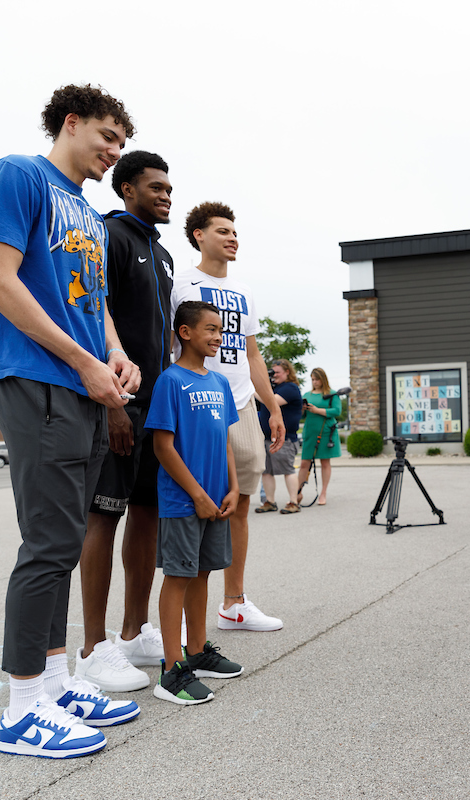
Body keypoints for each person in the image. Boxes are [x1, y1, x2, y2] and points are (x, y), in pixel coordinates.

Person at [0, 84, 142, 759]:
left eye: (121, 145)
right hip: (36, 377)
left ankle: (58, 681)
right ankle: (21, 710)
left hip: (84, 385)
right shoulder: (20, 175)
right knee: (46, 544)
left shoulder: (92, 217)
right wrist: (81, 361)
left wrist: (117, 354)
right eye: (106, 137)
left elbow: (91, 301)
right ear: (71, 124)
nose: (112, 152)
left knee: (66, 540)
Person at [75, 150, 175, 693]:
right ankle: (93, 648)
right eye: (155, 187)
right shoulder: (107, 235)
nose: (165, 195)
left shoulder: (161, 254)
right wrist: (114, 404)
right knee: (103, 518)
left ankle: (134, 632)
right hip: (120, 402)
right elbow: (93, 315)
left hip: (158, 408)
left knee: (149, 515)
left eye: (169, 189)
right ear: (126, 189)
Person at [171, 202, 284, 633]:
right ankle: (183, 611)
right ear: (198, 235)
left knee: (240, 503)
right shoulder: (181, 282)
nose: (233, 238)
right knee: (194, 503)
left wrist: (271, 406)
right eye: (223, 231)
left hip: (241, 404)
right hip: (197, 402)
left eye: (235, 232)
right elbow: (169, 344)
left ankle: (233, 603)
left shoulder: (244, 291)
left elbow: (253, 354)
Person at [148, 300, 246, 705]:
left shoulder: (220, 383)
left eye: (221, 331)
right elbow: (162, 446)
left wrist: (234, 487)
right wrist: (197, 495)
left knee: (203, 573)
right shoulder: (170, 381)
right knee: (179, 577)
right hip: (183, 501)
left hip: (218, 500)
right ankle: (172, 671)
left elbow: (223, 439)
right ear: (185, 332)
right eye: (210, 329)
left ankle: (198, 649)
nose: (217, 337)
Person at [257, 359, 303, 514]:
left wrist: (251, 388)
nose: (274, 375)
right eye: (272, 372)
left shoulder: (290, 388)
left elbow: (271, 401)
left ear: (287, 372)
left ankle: (293, 502)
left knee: (288, 470)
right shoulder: (273, 388)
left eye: (277, 372)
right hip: (267, 437)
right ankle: (269, 501)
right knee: (266, 471)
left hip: (285, 438)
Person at [298, 367, 342, 506]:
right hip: (310, 432)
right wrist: (302, 409)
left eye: (317, 379)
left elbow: (337, 411)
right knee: (304, 463)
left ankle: (323, 492)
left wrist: (317, 410)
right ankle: (297, 493)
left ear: (323, 379)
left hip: (326, 432)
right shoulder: (307, 394)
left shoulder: (332, 394)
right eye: (312, 379)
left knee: (325, 462)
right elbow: (302, 416)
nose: (314, 382)